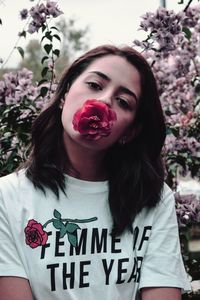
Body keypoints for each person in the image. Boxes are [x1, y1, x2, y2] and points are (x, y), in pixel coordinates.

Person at [0, 44, 191, 300]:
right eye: (94, 85)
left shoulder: (153, 199)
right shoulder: (7, 197)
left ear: (130, 132)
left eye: (123, 102)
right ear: (66, 95)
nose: (103, 101)